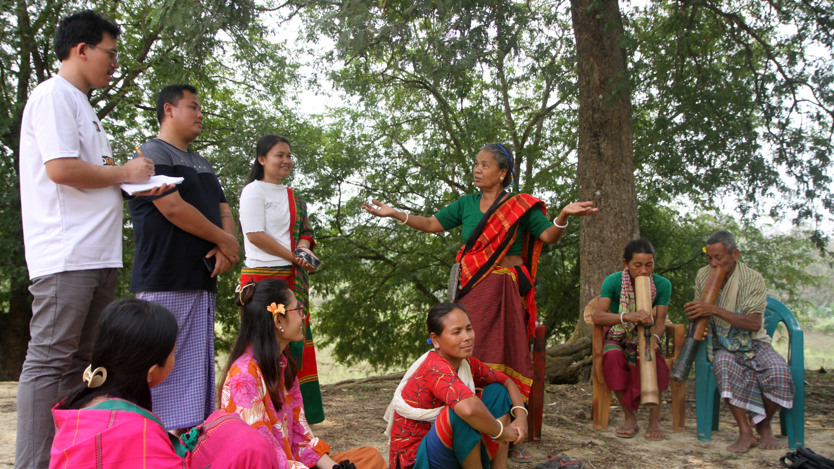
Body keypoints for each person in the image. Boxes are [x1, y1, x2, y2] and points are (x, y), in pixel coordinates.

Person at [16, 10, 157, 469]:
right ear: (82, 50)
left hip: (96, 252)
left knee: (82, 361)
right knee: (50, 360)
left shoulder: (82, 106)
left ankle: (66, 456)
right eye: (110, 54)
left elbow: (92, 175)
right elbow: (61, 170)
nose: (115, 64)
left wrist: (136, 183)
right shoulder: (53, 96)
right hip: (66, 253)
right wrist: (127, 173)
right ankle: (34, 462)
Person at [362, 143, 596, 401]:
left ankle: (508, 411)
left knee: (506, 349)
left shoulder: (520, 206)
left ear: (503, 172)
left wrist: (563, 215)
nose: (477, 170)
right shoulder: (467, 204)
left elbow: (549, 236)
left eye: (485, 165)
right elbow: (430, 224)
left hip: (507, 292)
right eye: (476, 164)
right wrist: (395, 213)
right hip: (472, 289)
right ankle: (467, 407)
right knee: (470, 344)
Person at [49, 298, 279, 469]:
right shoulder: (136, 430)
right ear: (151, 372)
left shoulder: (76, 410)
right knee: (247, 445)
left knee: (226, 426)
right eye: (172, 355)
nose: (175, 360)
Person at [127, 84, 240, 432]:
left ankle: (188, 448)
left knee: (194, 375)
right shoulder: (149, 154)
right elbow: (172, 208)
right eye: (193, 106)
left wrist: (227, 246)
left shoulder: (201, 163)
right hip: (164, 279)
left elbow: (223, 207)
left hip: (201, 281)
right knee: (160, 371)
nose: (200, 114)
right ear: (169, 110)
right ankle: (154, 446)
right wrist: (226, 241)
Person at [220, 279, 386, 469]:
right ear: (278, 320)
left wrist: (334, 468)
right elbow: (266, 459)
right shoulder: (244, 377)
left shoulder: (282, 365)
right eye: (297, 310)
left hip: (292, 464)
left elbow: (302, 437)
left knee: (370, 457)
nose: (303, 317)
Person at [238, 134, 324, 424]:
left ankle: (294, 416)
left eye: (289, 155)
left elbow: (306, 232)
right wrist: (293, 256)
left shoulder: (294, 196)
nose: (286, 160)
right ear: (262, 159)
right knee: (263, 345)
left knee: (292, 345)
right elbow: (254, 235)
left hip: (291, 278)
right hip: (263, 279)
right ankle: (256, 411)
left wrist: (303, 249)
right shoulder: (253, 191)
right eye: (279, 155)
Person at [684, 230, 794, 453]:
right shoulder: (703, 275)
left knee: (778, 371)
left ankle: (763, 426)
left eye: (719, 257)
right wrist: (695, 320)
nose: (713, 263)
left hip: (755, 341)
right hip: (721, 343)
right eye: (709, 257)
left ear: (735, 254)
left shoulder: (752, 278)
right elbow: (701, 312)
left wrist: (713, 309)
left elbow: (754, 323)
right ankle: (745, 431)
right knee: (724, 366)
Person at [385, 303, 528, 469]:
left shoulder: (466, 363)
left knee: (497, 393)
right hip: (417, 461)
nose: (466, 337)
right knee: (461, 410)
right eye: (457, 332)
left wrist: (521, 418)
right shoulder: (434, 367)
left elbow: (507, 381)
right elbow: (469, 410)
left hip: (444, 449)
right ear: (436, 340)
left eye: (468, 329)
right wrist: (502, 431)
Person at [591, 239, 671, 440]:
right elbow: (598, 316)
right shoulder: (614, 281)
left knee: (656, 360)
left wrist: (654, 338)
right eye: (638, 265)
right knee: (612, 357)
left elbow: (660, 321)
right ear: (625, 263)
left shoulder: (662, 284)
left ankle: (654, 420)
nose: (644, 271)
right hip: (618, 333)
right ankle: (630, 417)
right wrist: (627, 316)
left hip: (646, 334)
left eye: (649, 265)